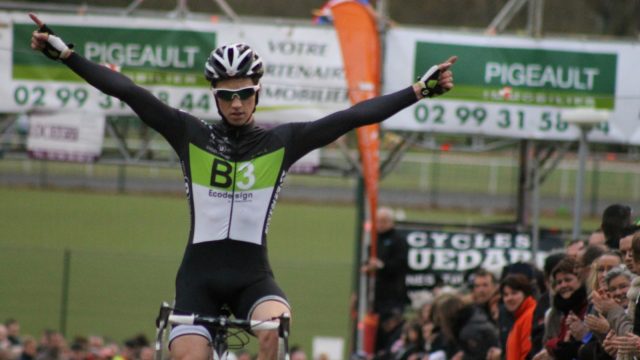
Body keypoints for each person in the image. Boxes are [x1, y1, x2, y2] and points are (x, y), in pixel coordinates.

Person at [28, 13, 457, 360]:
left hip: (254, 279)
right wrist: (66, 54)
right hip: (198, 279)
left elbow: (352, 117)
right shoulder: (189, 134)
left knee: (272, 331)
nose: (236, 103)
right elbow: (128, 92)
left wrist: (419, 89)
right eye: (227, 95)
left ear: (258, 93)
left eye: (245, 94)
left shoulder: (282, 142)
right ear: (214, 95)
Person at [362, 207, 409, 316]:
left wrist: (381, 266)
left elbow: (401, 264)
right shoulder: (373, 240)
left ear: (391, 222)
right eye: (378, 221)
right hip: (373, 295)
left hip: (392, 296)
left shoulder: (398, 240)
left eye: (384, 221)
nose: (380, 224)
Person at [487, 274, 537, 360]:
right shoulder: (520, 317)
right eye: (506, 295)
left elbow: (527, 354)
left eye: (514, 293)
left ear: (525, 293)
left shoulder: (529, 316)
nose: (509, 298)